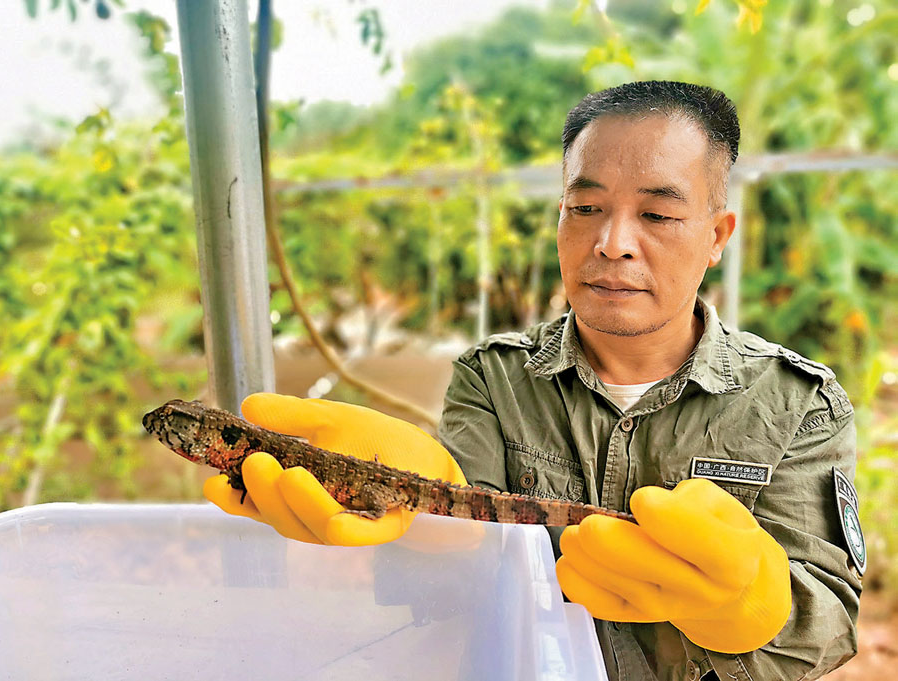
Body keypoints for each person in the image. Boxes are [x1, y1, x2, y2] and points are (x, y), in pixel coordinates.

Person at [205, 81, 862, 681]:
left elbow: (829, 619)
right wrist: (433, 512)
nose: (611, 242)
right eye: (583, 206)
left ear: (716, 235)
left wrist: (752, 607)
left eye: (657, 215)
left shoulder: (797, 402)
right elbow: (445, 589)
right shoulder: (493, 378)